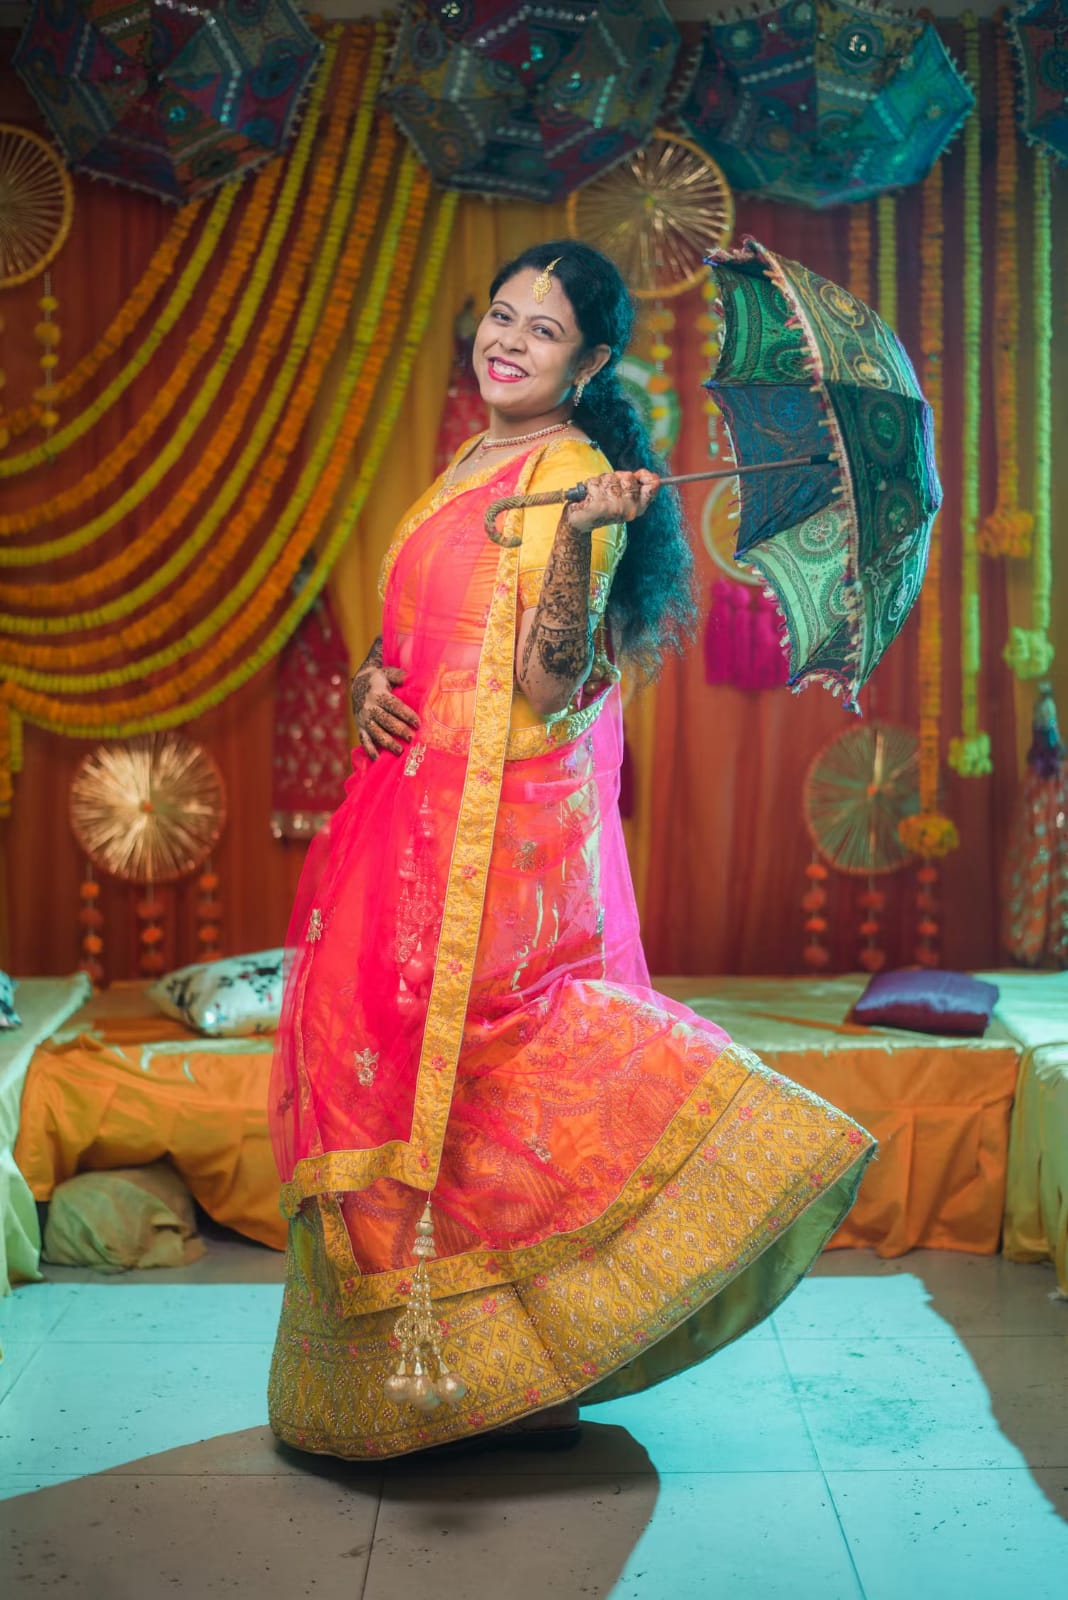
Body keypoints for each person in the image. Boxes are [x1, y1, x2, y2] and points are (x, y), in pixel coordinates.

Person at [267, 242, 874, 1459]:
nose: (507, 341)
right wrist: (372, 687)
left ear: (589, 361)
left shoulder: (581, 470)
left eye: (541, 332)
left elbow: (548, 679)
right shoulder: (468, 464)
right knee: (393, 1070)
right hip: (406, 817)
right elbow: (417, 642)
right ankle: (429, 1381)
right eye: (500, 315)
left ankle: (544, 1360)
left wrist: (584, 540)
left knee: (497, 1065)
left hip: (506, 831)